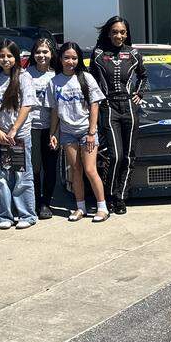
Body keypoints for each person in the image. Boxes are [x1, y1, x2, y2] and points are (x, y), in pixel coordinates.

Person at [89, 16, 147, 215]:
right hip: (108, 107)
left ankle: (121, 197)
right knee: (115, 156)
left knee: (129, 157)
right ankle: (108, 195)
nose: (119, 36)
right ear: (108, 33)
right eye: (115, 32)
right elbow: (91, 82)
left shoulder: (133, 53)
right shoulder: (98, 55)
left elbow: (144, 75)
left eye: (122, 32)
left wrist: (139, 93)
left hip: (129, 107)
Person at [48, 42, 110, 222]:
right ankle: (80, 207)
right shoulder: (54, 82)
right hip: (67, 133)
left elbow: (95, 105)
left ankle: (102, 207)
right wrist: (53, 133)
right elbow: (54, 111)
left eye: (74, 58)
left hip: (86, 132)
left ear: (79, 59)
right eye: (66, 57)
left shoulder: (86, 78)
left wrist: (91, 132)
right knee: (75, 171)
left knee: (90, 170)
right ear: (60, 59)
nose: (70, 61)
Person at [0, 40, 37, 230]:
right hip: (1, 136)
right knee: (2, 177)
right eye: (2, 56)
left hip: (19, 135)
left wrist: (13, 130)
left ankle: (27, 214)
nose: (5, 59)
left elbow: (27, 105)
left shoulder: (24, 78)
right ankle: (6, 214)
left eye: (9, 56)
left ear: (16, 58)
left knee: (22, 175)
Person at [27, 37, 59, 220]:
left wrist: (55, 132)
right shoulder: (25, 74)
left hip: (51, 128)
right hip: (31, 127)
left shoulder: (56, 75)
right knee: (35, 167)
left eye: (45, 52)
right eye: (38, 52)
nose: (41, 55)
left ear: (52, 53)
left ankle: (46, 201)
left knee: (50, 167)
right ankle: (36, 201)